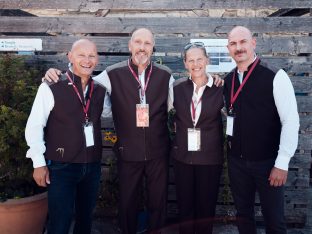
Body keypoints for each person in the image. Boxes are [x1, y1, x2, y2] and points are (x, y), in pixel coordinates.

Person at [223, 26, 300, 234]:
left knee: (274, 220)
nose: (238, 48)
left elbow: (291, 121)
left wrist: (282, 163)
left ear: (253, 43)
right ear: (228, 48)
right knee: (244, 217)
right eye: (233, 44)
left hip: (268, 163)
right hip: (237, 162)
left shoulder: (275, 76)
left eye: (243, 42)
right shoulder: (228, 80)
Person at [25, 39, 107, 234]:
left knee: (85, 221)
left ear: (97, 59)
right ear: (70, 56)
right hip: (62, 167)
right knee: (59, 222)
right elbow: (34, 126)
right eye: (81, 55)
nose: (87, 60)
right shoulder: (51, 86)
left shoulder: (101, 89)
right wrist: (38, 163)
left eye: (92, 56)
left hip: (92, 166)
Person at [170, 42, 224, 234]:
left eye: (199, 59)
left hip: (209, 159)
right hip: (183, 158)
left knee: (205, 210)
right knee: (185, 209)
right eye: (191, 60)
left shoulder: (220, 88)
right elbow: (161, 112)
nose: (196, 64)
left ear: (207, 60)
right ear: (185, 64)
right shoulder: (176, 88)